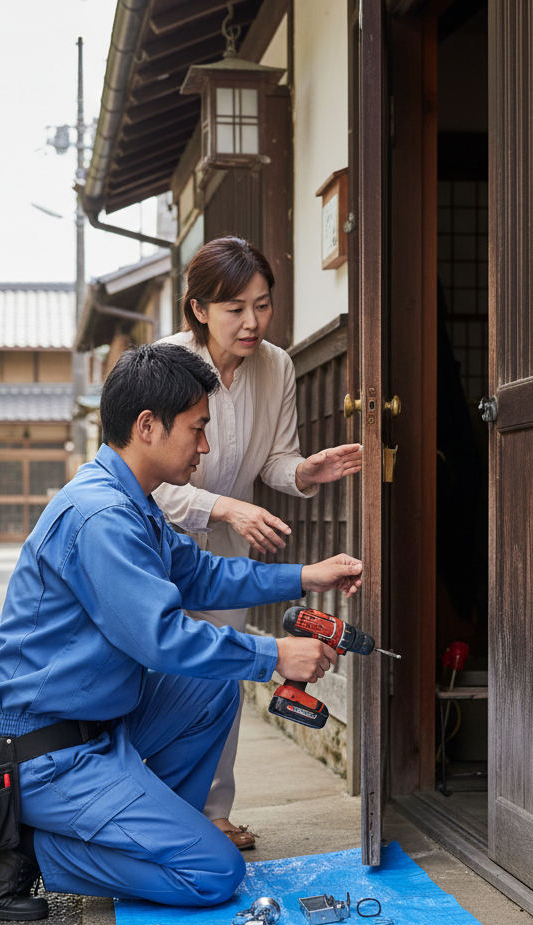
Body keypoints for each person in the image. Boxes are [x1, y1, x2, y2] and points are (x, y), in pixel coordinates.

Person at [0, 343, 362, 920]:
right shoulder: (102, 516)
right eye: (198, 428)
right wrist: (275, 654)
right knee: (213, 873)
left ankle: (152, 830)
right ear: (148, 426)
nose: (206, 446)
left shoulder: (132, 501)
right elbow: (162, 638)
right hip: (46, 752)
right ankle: (27, 848)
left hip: (95, 724)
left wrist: (305, 576)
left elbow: (201, 574)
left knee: (211, 687)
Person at [152, 236, 363, 851]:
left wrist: (304, 472)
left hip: (226, 548)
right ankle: (154, 811)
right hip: (157, 541)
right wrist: (224, 506)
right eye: (235, 308)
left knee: (222, 677)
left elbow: (275, 459)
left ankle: (213, 812)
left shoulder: (278, 366)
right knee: (157, 674)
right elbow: (148, 477)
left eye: (263, 305)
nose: (252, 322)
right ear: (199, 309)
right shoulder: (165, 364)